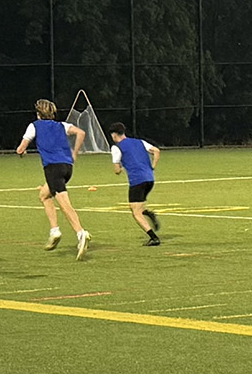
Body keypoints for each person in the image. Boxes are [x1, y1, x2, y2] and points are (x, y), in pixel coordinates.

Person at [16, 98, 92, 259]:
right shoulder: (61, 125)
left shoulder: (34, 126)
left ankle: (80, 233)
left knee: (65, 205)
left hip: (53, 168)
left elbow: (20, 149)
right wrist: (74, 153)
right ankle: (54, 230)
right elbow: (81, 133)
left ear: (38, 114)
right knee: (44, 195)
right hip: (67, 167)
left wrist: (22, 151)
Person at [109, 122, 162, 246]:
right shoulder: (139, 142)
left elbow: (117, 171)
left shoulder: (116, 147)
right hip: (150, 179)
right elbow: (156, 151)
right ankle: (148, 214)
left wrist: (121, 167)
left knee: (135, 212)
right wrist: (152, 166)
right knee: (138, 206)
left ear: (114, 135)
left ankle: (154, 238)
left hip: (137, 181)